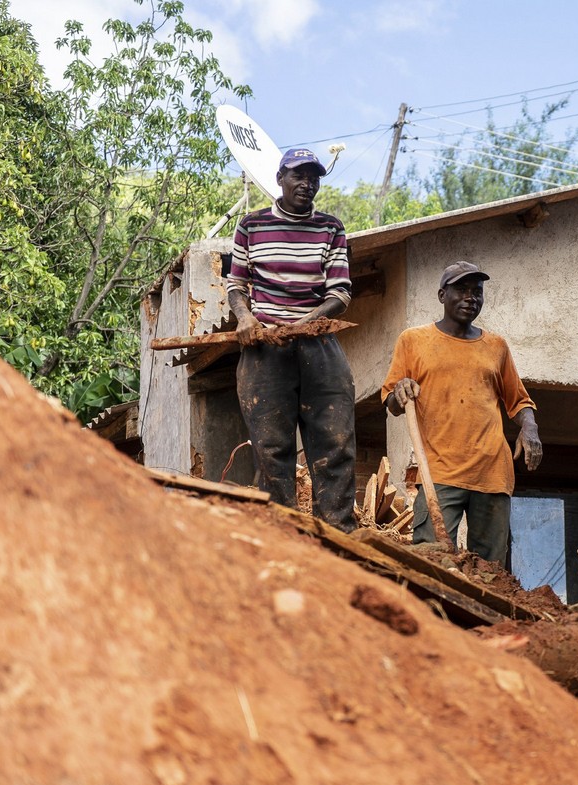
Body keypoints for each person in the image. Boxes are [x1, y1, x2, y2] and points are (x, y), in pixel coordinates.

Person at [224, 147, 357, 531]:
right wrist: (245, 317)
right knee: (271, 448)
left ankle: (337, 536)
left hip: (318, 344)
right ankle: (282, 534)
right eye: (298, 176)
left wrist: (304, 325)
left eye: (313, 178)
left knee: (335, 443)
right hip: (265, 350)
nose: (307, 184)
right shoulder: (251, 225)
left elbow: (340, 293)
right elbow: (237, 283)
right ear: (280, 178)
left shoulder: (331, 228)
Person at [381, 261, 543, 563]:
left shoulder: (496, 346)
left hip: (492, 473)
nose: (471, 298)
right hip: (439, 474)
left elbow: (519, 401)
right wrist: (400, 390)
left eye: (477, 292)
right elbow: (391, 403)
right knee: (431, 563)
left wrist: (529, 427)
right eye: (462, 290)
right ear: (442, 295)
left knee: (490, 573)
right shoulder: (413, 340)